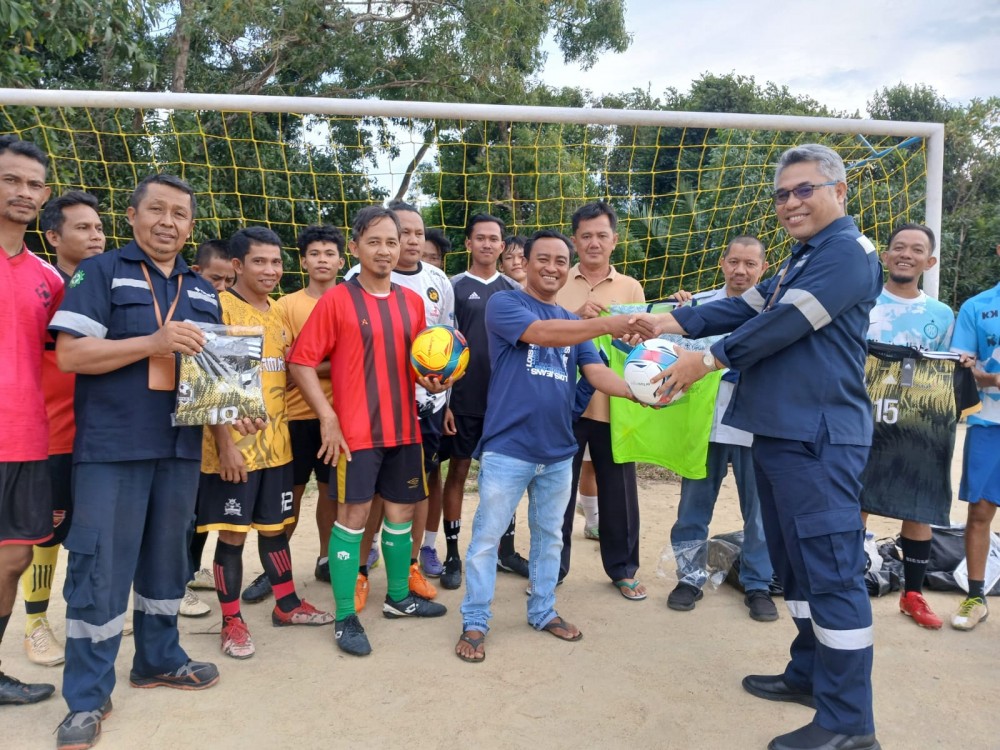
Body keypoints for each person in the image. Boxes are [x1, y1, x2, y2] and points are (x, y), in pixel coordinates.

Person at [629, 144, 882, 750]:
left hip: (819, 439)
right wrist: (665, 322)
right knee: (796, 568)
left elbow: (778, 324)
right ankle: (808, 675)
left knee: (833, 574)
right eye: (782, 194)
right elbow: (742, 304)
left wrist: (705, 359)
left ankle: (850, 724)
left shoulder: (848, 255)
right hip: (780, 434)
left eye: (804, 190)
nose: (790, 202)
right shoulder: (804, 256)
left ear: (839, 192)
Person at [50, 174, 253, 749]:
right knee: (100, 573)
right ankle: (86, 698)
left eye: (180, 214)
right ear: (133, 216)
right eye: (157, 210)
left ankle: (159, 660)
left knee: (167, 563)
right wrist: (151, 343)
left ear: (191, 225)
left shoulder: (201, 287)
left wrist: (231, 428)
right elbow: (70, 355)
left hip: (180, 448)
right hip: (112, 449)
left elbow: (212, 379)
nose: (169, 222)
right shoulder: (101, 272)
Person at [454, 229, 637, 663]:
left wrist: (639, 392)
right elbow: (543, 334)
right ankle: (476, 620)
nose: (552, 268)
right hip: (508, 448)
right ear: (524, 262)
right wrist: (606, 323)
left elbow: (596, 374)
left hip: (558, 451)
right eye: (544, 259)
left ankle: (542, 611)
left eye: (560, 260)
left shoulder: (576, 325)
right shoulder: (506, 304)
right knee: (486, 538)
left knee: (550, 538)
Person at [287, 206, 448, 658]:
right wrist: (327, 415)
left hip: (404, 431)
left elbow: (417, 364)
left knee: (399, 516)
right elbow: (300, 360)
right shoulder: (337, 300)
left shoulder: (412, 302)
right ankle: (343, 616)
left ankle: (398, 598)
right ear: (355, 248)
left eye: (391, 242)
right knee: (353, 520)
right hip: (356, 434)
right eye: (374, 241)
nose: (384, 250)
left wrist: (435, 379)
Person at [197, 226, 334, 660]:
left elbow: (295, 369)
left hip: (277, 445)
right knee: (233, 537)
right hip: (234, 452)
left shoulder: (277, 312)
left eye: (276, 262)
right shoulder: (220, 308)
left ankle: (287, 604)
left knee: (276, 532)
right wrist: (225, 446)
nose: (271, 270)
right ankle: (231, 621)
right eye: (260, 261)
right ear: (237, 266)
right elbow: (207, 382)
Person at [343, 201, 454, 606]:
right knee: (366, 496)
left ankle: (409, 568)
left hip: (422, 407)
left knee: (415, 490)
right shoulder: (354, 283)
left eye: (415, 233)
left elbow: (444, 346)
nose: (408, 241)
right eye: (398, 233)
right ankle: (358, 567)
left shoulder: (437, 282)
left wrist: (445, 395)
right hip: (367, 412)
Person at [667, 236, 778, 621]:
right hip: (705, 427)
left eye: (750, 264)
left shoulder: (776, 311)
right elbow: (666, 345)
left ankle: (759, 584)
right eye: (734, 262)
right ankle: (689, 577)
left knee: (760, 512)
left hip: (755, 427)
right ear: (722, 262)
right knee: (692, 508)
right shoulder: (699, 308)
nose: (741, 271)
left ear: (763, 269)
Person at [19, 191, 105, 669]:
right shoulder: (44, 287)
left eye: (98, 227)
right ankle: (35, 623)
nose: (95, 236)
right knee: (45, 536)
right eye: (83, 228)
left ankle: (84, 614)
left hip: (100, 434)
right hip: (52, 433)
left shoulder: (108, 282)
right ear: (53, 236)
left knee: (90, 532)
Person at [241, 224, 346, 603]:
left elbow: (308, 361)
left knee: (333, 496)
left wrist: (312, 362)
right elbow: (286, 363)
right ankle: (275, 571)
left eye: (329, 253)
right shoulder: (286, 306)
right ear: (302, 261)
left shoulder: (351, 301)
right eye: (314, 254)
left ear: (341, 260)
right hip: (297, 415)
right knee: (289, 498)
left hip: (342, 418)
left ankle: (326, 559)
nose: (322, 260)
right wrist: (337, 364)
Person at [862, 223, 956, 630]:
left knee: (918, 506)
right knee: (855, 503)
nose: (906, 254)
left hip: (918, 425)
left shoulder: (941, 314)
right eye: (898, 247)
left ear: (929, 261)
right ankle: (846, 585)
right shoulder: (863, 303)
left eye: (916, 249)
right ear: (885, 256)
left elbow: (948, 369)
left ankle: (913, 595)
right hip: (864, 419)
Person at [555, 201, 646, 599]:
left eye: (601, 235)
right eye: (586, 235)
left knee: (620, 493)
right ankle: (551, 569)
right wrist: (576, 317)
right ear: (574, 241)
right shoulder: (555, 280)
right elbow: (543, 335)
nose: (594, 243)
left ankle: (623, 569)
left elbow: (643, 346)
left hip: (616, 405)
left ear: (615, 241)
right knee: (556, 489)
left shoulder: (631, 288)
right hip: (563, 405)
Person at [0, 135, 61, 706]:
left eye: (33, 184)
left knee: (15, 557)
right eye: (11, 179)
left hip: (26, 440)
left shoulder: (50, 278)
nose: (23, 192)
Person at [440, 214, 522, 589]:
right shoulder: (451, 286)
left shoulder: (514, 290)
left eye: (495, 239)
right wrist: (447, 400)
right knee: (457, 472)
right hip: (464, 400)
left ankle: (506, 550)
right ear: (469, 244)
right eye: (481, 238)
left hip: (504, 402)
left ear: (503, 247)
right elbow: (440, 346)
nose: (488, 244)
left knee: (506, 479)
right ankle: (453, 554)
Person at [948, 243, 1000, 631]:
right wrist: (990, 377)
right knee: (980, 512)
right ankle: (976, 597)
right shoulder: (977, 306)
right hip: (989, 423)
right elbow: (963, 368)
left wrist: (990, 374)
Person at [183, 239, 235, 617]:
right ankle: (175, 581)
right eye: (215, 278)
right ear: (196, 273)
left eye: (228, 280)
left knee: (201, 513)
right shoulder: (187, 307)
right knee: (184, 513)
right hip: (185, 430)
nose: (221, 286)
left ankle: (187, 572)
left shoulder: (221, 311)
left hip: (211, 428)